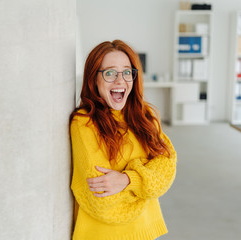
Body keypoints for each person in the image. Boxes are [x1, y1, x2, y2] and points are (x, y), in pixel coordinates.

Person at [69, 40, 177, 240]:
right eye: (110, 73)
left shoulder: (145, 116)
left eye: (127, 72)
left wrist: (127, 178)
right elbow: (102, 201)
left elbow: (168, 166)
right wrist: (146, 177)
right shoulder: (84, 124)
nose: (121, 81)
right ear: (94, 79)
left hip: (146, 230)